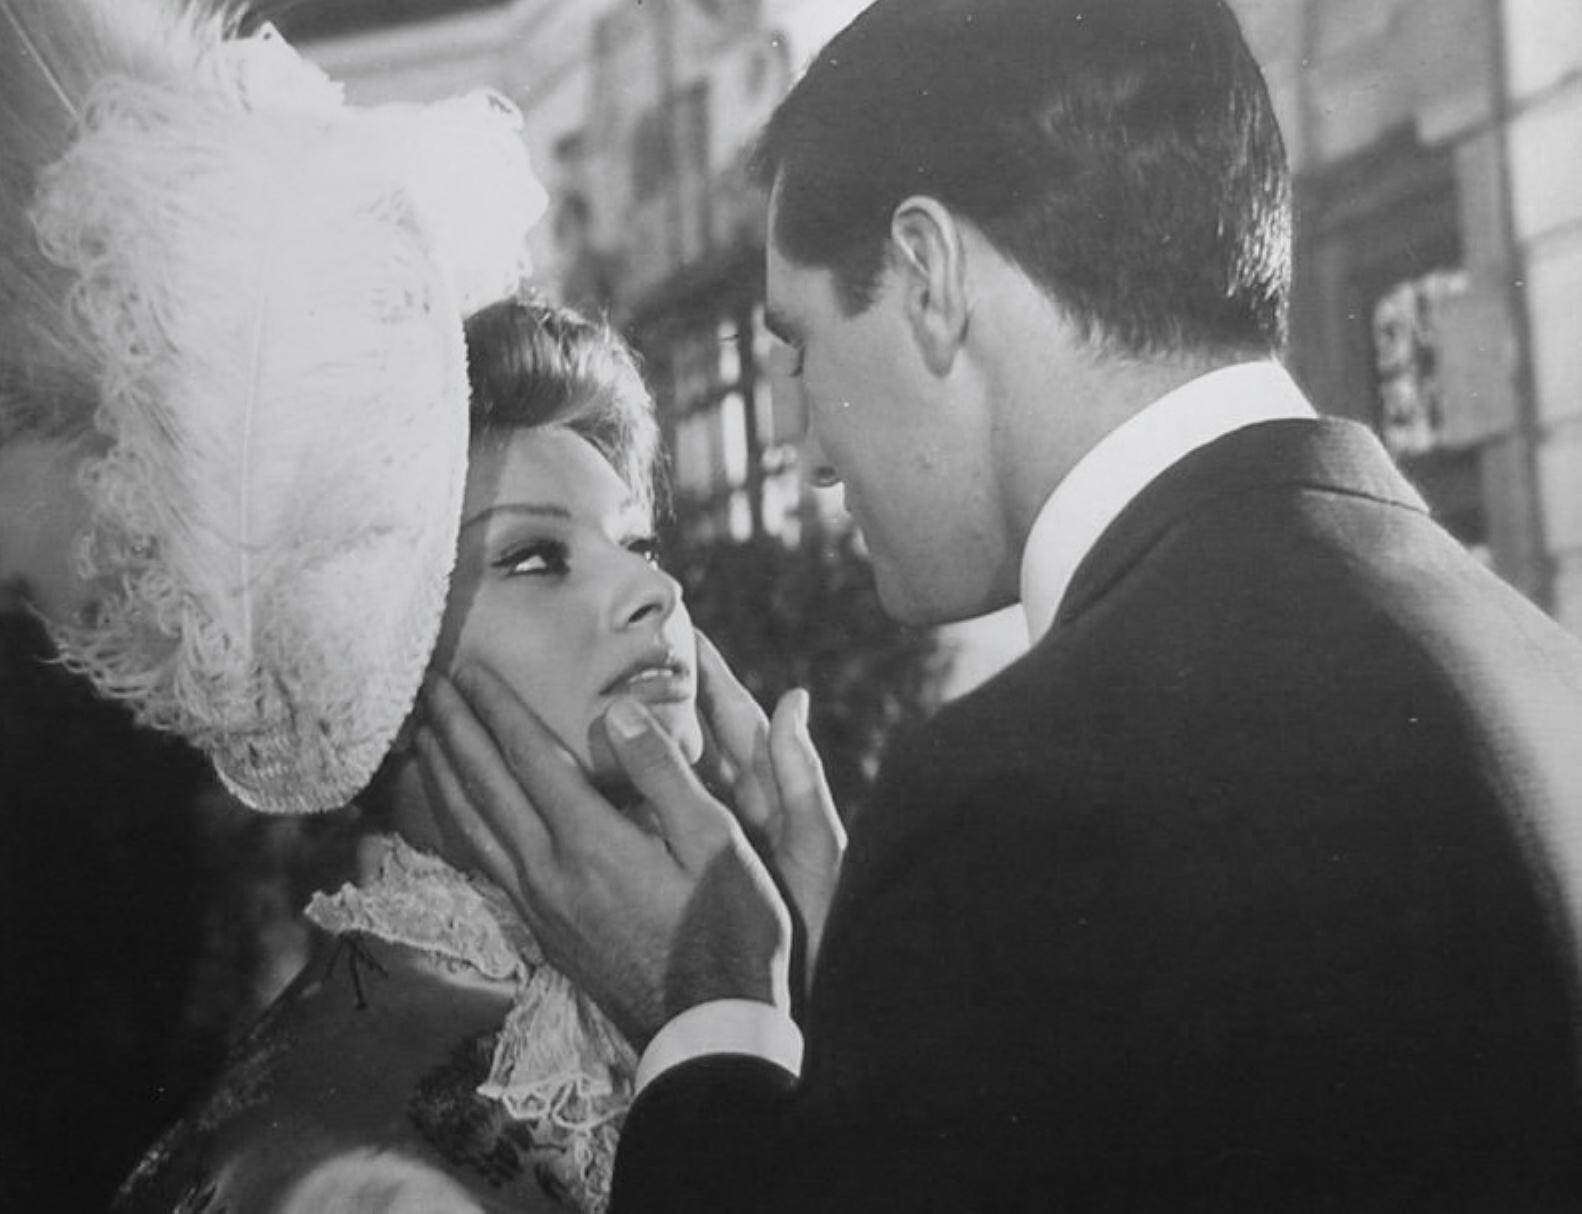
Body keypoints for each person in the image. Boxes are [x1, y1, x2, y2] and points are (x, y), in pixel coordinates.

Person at [419, 0, 1582, 1209]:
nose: (809, 453)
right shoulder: (1542, 668)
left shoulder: (1028, 790)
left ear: (929, 275)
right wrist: (871, 976)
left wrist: (707, 1004)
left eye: (800, 347)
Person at [116, 294, 749, 1213]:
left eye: (638, 544)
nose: (654, 589)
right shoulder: (350, 1175)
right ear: (380, 663)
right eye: (535, 557)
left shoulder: (641, 1018)